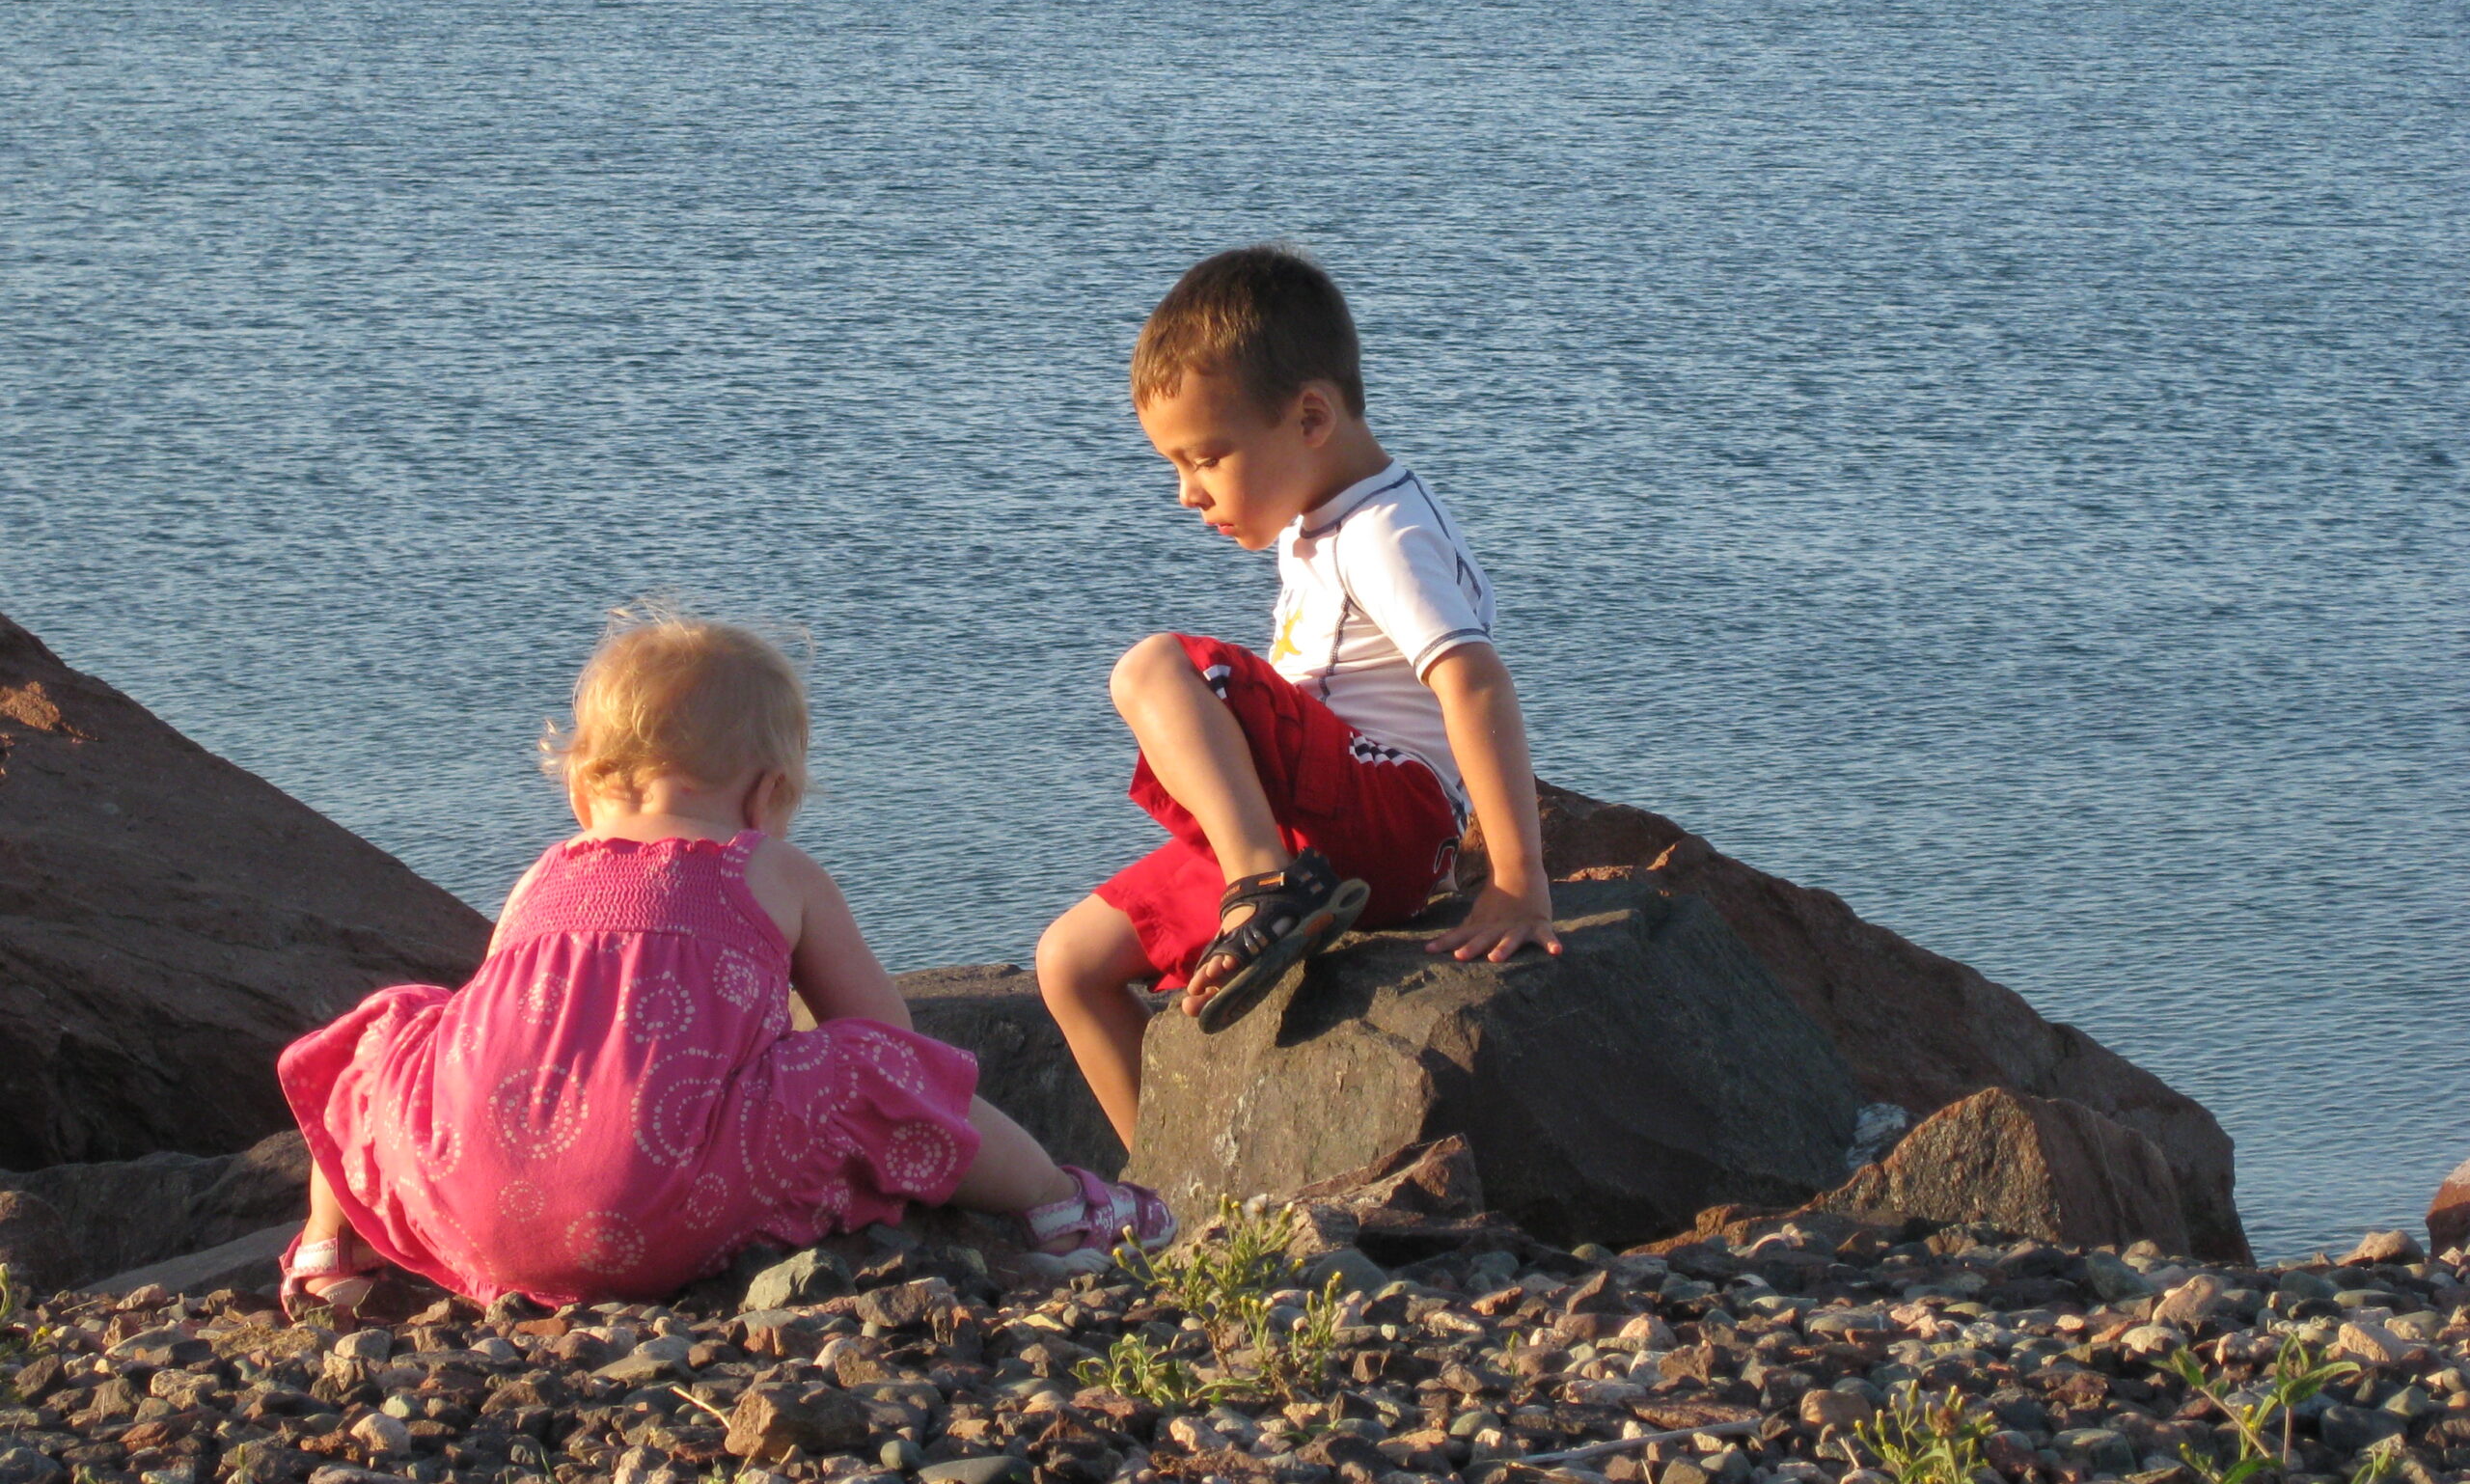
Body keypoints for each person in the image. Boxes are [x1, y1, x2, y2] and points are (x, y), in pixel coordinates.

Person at [276, 607, 1171, 1316]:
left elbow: (512, 1034)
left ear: (586, 789)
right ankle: (1062, 1206)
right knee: (876, 1072)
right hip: (656, 1208)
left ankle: (326, 1248)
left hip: (477, 1209)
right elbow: (887, 1041)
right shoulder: (769, 868)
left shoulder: (542, 874)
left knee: (391, 1031)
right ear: (768, 794)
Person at [1036, 246, 1560, 1149]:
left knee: (1159, 668)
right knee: (1070, 963)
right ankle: (1172, 1196)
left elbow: (1474, 681)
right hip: (1327, 843)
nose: (1186, 493)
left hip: (1391, 811)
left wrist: (1517, 880)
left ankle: (1260, 883)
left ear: (1310, 416)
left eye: (1206, 458)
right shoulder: (1317, 524)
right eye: (1174, 464)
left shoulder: (1381, 533)